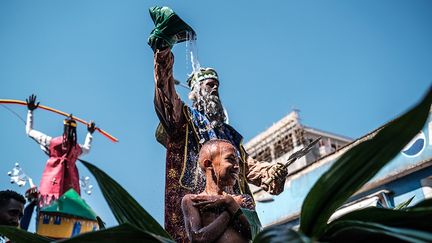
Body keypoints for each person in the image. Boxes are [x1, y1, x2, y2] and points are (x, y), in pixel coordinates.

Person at [151, 9, 287, 241]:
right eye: (208, 85)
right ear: (194, 93)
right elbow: (166, 98)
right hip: (201, 207)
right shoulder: (186, 118)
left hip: (236, 212)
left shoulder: (227, 134)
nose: (214, 89)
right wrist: (163, 55)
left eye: (216, 85)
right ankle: (163, 42)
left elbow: (246, 166)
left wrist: (269, 173)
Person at [25, 94, 96, 206]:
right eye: (70, 130)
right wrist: (89, 134)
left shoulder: (59, 144)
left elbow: (29, 131)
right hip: (55, 190)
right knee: (53, 204)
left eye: (71, 130)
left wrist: (30, 112)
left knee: (55, 205)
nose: (70, 133)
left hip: (62, 188)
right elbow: (87, 149)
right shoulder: (64, 145)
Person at [182, 139, 252, 243]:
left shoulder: (243, 200)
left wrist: (230, 202)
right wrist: (230, 207)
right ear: (208, 164)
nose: (237, 167)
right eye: (230, 159)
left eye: (237, 161)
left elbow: (255, 233)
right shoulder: (193, 201)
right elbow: (198, 239)